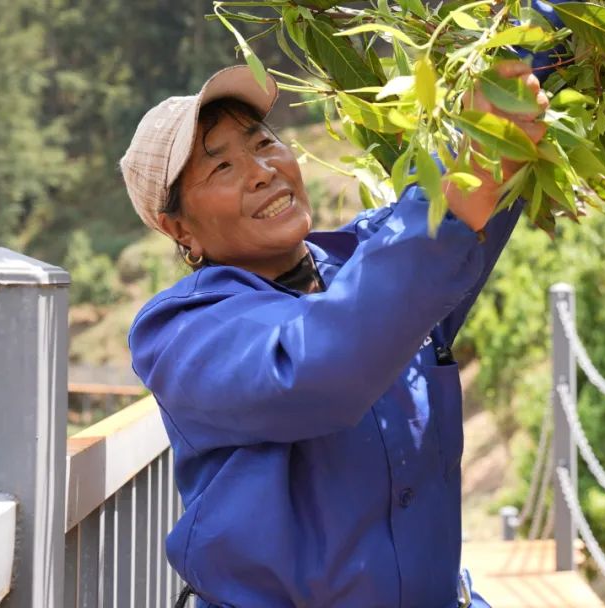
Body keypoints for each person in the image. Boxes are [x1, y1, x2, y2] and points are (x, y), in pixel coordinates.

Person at [120, 56, 549, 607]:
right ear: (180, 229)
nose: (260, 170)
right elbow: (313, 368)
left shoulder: (367, 258)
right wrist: (460, 183)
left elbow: (478, 203)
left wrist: (543, 39)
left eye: (263, 142)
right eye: (221, 167)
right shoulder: (181, 331)